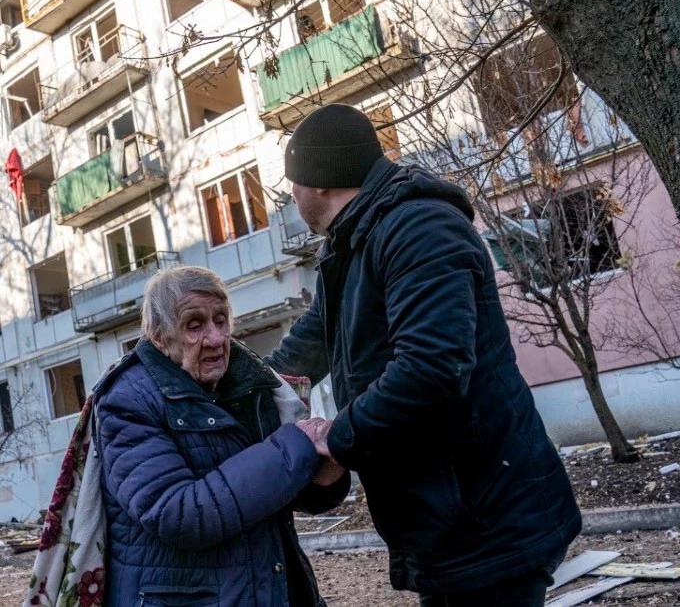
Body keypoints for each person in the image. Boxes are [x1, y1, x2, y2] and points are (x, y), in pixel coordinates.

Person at [266, 104, 581, 606]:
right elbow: (311, 341)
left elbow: (432, 368)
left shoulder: (418, 228)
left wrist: (338, 441)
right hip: (445, 515)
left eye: (292, 185)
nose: (293, 198)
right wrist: (245, 390)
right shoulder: (351, 245)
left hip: (485, 514)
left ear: (319, 181)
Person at [95, 266, 349, 606]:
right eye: (195, 325)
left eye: (221, 320)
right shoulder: (128, 400)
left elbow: (271, 492)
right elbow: (177, 513)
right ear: (159, 335)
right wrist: (294, 445)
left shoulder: (252, 382)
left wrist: (323, 477)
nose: (216, 339)